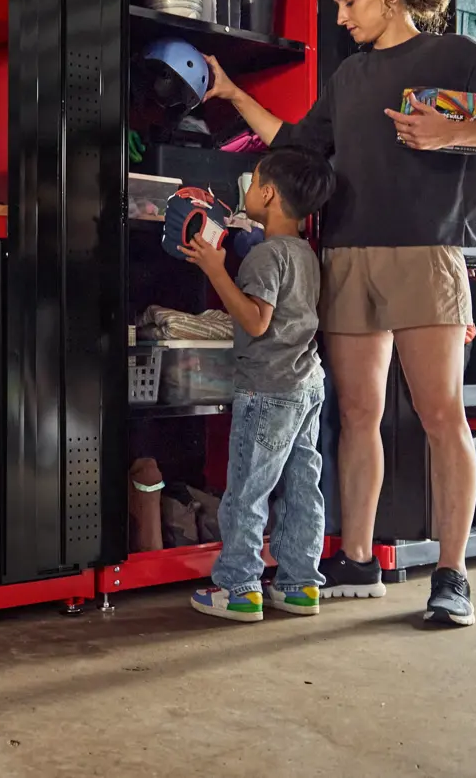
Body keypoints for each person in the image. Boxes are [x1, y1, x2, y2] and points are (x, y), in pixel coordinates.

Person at [201, 0, 476, 627]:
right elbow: (299, 143)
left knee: (440, 417)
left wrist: (458, 133)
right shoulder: (353, 77)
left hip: (428, 252)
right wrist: (233, 93)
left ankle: (452, 576)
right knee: (357, 414)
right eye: (338, 4)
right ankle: (358, 557)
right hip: (347, 257)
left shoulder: (455, 56)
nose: (341, 17)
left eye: (349, 1)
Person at [184, 147, 336, 623]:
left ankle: (240, 587)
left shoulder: (266, 257)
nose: (246, 191)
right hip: (306, 385)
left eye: (252, 185)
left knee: (248, 489)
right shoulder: (305, 253)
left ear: (268, 194)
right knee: (301, 487)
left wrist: (215, 269)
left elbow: (254, 320)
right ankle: (298, 586)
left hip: (266, 390)